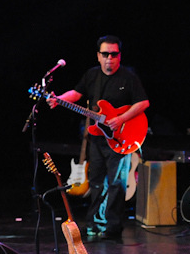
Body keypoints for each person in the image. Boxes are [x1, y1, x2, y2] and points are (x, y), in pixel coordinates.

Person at [48, 35, 149, 239]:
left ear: (119, 56)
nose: (109, 58)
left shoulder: (128, 77)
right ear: (98, 56)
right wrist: (58, 100)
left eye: (113, 54)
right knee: (96, 182)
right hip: (98, 138)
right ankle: (94, 223)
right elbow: (76, 94)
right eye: (105, 54)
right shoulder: (92, 75)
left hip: (121, 138)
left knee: (116, 183)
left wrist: (121, 119)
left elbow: (143, 103)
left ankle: (113, 227)